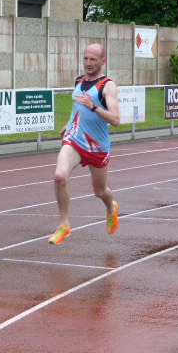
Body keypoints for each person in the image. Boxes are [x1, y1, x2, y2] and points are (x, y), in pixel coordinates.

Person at [48, 43, 121, 244]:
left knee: (99, 191)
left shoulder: (108, 86)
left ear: (103, 61)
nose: (88, 63)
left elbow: (115, 119)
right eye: (85, 58)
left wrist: (94, 106)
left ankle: (111, 208)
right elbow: (77, 107)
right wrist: (68, 123)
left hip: (97, 147)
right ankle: (64, 224)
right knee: (60, 176)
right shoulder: (78, 80)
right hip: (75, 140)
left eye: (93, 59)